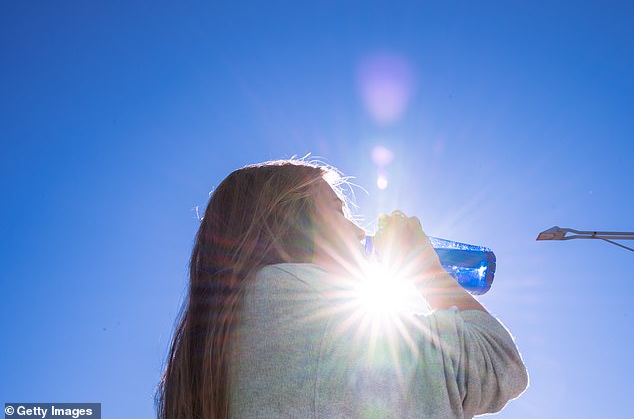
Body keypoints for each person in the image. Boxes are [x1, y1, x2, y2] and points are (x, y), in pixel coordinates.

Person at [156, 159, 528, 419]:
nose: (358, 231)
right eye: (339, 211)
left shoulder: (237, 324)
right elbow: (497, 365)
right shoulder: (295, 296)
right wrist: (425, 269)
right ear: (289, 220)